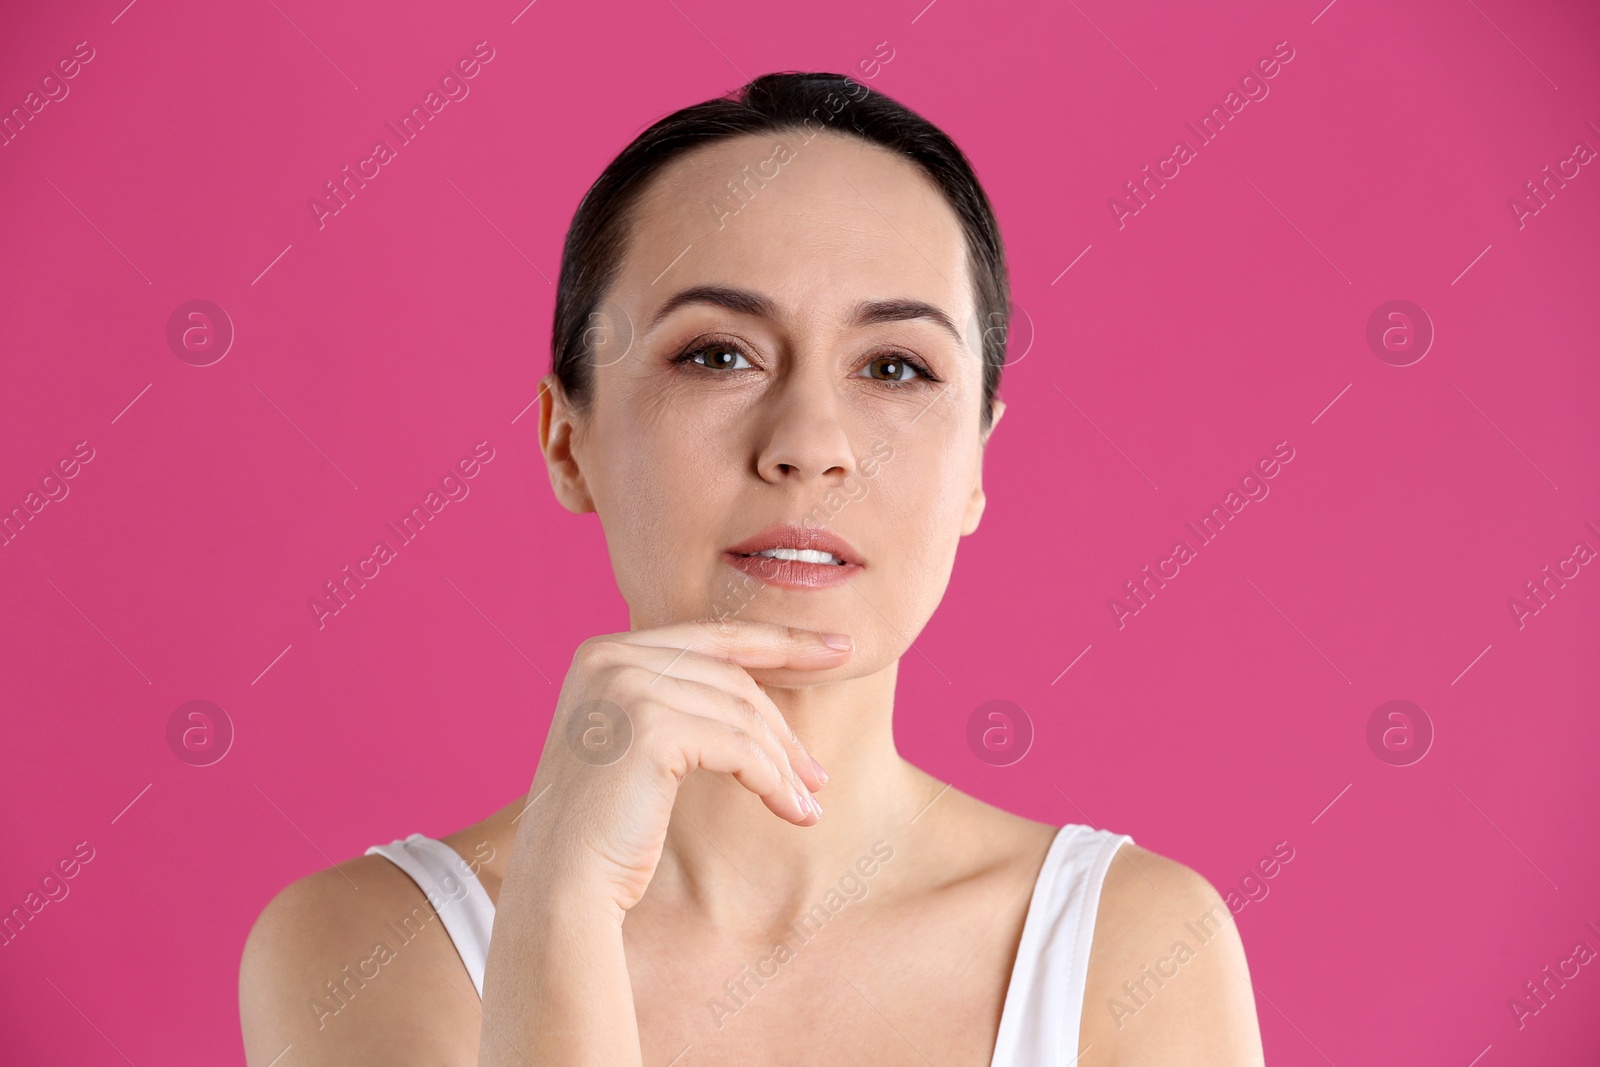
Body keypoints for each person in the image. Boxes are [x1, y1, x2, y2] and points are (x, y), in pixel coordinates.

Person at [240, 71, 1265, 1066]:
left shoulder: (1135, 947)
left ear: (976, 465)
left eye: (895, 366)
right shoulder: (364, 945)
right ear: (567, 441)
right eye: (717, 354)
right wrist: (561, 906)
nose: (809, 441)